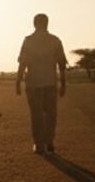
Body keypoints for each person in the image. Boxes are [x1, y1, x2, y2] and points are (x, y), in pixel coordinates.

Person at [16, 13, 68, 155]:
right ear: (47, 23)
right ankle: (49, 142)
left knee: (36, 114)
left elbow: (22, 63)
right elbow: (62, 65)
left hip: (33, 83)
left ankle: (39, 144)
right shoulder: (55, 40)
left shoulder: (29, 41)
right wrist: (63, 84)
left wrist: (18, 82)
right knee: (51, 114)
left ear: (34, 24)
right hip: (50, 82)